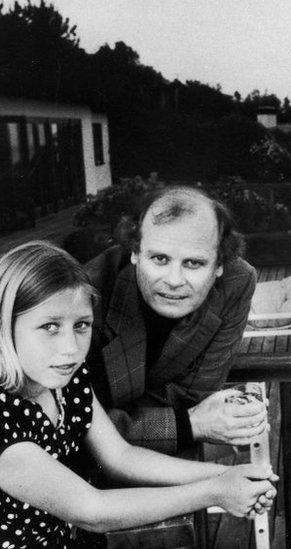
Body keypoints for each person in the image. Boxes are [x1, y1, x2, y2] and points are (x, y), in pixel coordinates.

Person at [0, 241, 276, 548]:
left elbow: (121, 456)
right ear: (2, 325)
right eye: (50, 327)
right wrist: (214, 492)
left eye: (81, 326)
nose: (70, 348)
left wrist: (223, 474)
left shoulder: (64, 382)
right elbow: (91, 509)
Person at [83, 186, 267, 455]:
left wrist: (175, 422)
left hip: (171, 455)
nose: (174, 280)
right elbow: (73, 421)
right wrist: (188, 423)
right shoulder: (88, 291)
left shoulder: (236, 282)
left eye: (193, 263)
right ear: (134, 252)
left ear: (219, 266)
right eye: (159, 259)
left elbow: (194, 394)